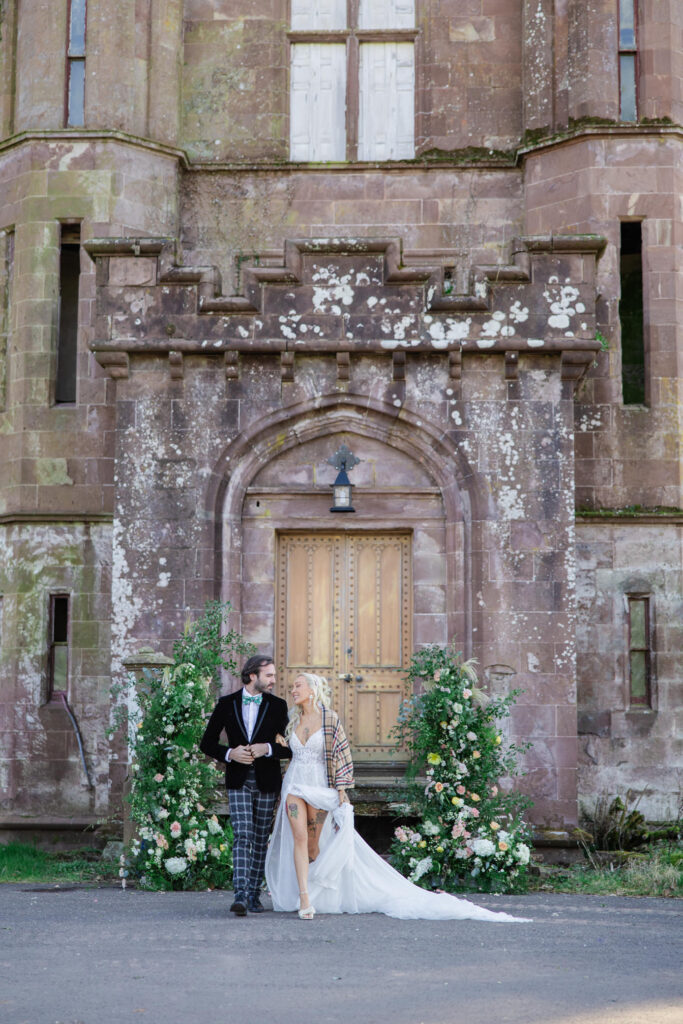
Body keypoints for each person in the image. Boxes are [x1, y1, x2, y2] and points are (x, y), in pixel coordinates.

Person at [265, 672, 530, 923]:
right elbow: (285, 748)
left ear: (312, 690)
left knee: (313, 846)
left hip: (320, 787)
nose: (293, 689)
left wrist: (342, 790)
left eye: (298, 685)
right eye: (293, 686)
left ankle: (318, 890)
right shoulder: (292, 720)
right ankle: (305, 898)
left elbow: (341, 753)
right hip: (295, 785)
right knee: (299, 837)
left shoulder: (329, 719)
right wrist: (278, 740)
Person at [200, 655, 291, 916]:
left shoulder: (278, 706)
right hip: (238, 779)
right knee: (242, 834)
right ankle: (239, 894)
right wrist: (230, 753)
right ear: (253, 675)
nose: (273, 680)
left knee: (260, 838)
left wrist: (268, 749)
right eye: (269, 675)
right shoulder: (226, 704)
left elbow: (290, 748)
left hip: (267, 780)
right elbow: (207, 743)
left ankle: (253, 895)